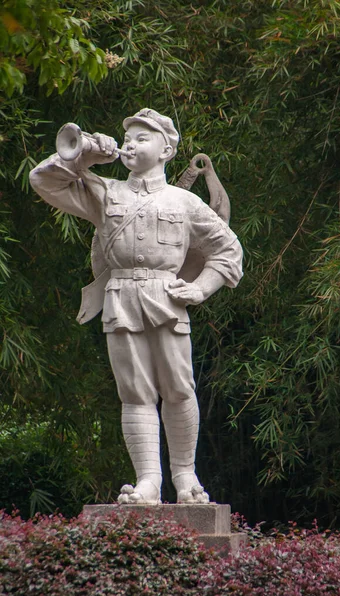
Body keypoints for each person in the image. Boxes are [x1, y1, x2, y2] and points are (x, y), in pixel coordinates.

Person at [29, 108, 243, 505]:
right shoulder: (105, 191)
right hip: (121, 299)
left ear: (166, 149)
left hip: (167, 298)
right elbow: (42, 179)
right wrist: (86, 157)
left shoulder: (185, 201)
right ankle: (147, 480)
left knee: (179, 389)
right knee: (135, 393)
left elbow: (228, 251)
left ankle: (185, 476)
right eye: (128, 137)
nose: (130, 143)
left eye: (142, 137)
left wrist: (199, 290)